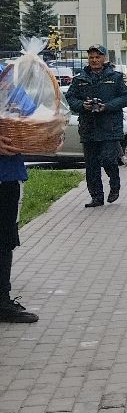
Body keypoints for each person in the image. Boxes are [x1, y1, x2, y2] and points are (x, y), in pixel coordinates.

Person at [67, 45, 127, 207]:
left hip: (109, 127)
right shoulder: (80, 78)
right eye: (91, 57)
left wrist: (108, 106)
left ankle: (115, 184)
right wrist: (83, 105)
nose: (94, 60)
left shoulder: (115, 77)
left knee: (109, 159)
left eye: (98, 57)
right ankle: (96, 197)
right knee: (91, 165)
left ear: (104, 58)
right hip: (89, 127)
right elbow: (70, 98)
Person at [0, 129, 38, 323]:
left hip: (7, 176)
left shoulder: (11, 97)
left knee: (5, 241)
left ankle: (2, 302)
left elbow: (32, 119)